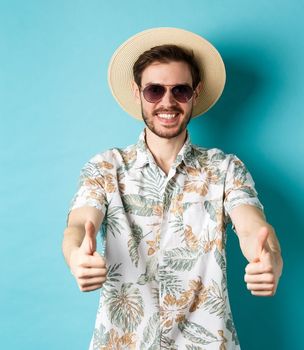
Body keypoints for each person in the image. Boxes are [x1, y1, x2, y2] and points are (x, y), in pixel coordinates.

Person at [60, 27, 283, 349]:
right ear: (138, 93)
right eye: (155, 91)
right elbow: (79, 225)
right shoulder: (106, 166)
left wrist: (269, 259)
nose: (167, 102)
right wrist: (76, 257)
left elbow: (253, 228)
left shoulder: (225, 168)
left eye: (180, 90)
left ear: (196, 93)